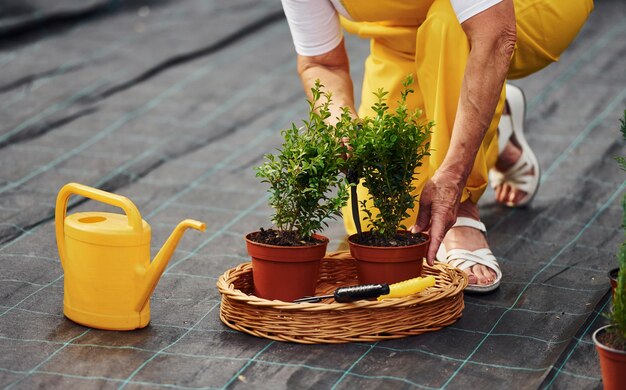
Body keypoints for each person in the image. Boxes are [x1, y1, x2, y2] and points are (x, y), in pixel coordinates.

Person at [280, 0, 593, 292]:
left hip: (510, 16)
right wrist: (342, 125)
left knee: (449, 23)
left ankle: (465, 213)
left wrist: (456, 182)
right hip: (407, 39)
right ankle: (492, 118)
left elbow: (494, 37)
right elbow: (321, 63)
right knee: (381, 216)